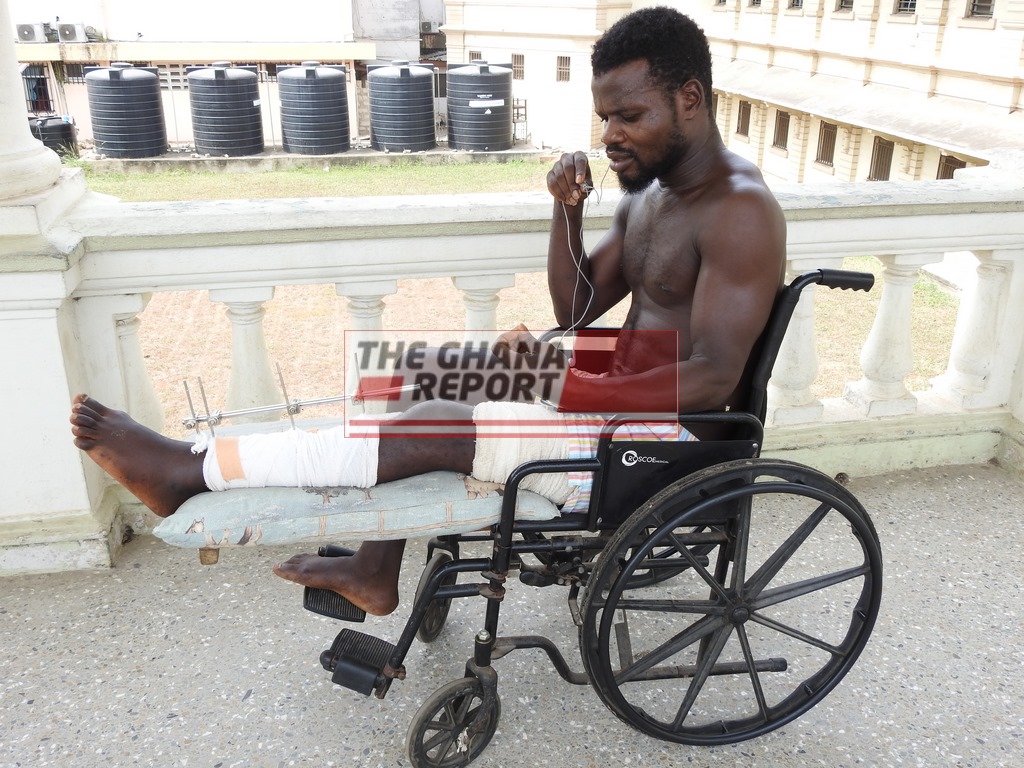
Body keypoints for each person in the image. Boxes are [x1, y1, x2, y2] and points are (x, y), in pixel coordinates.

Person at [69, 6, 786, 617]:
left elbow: (715, 378)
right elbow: (576, 307)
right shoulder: (652, 190)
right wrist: (566, 213)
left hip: (658, 439)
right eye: (604, 119)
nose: (609, 137)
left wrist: (573, 389)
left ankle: (190, 471)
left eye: (629, 116)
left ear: (689, 99)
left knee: (434, 427)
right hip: (613, 386)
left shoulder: (739, 211)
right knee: (414, 373)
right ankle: (377, 571)